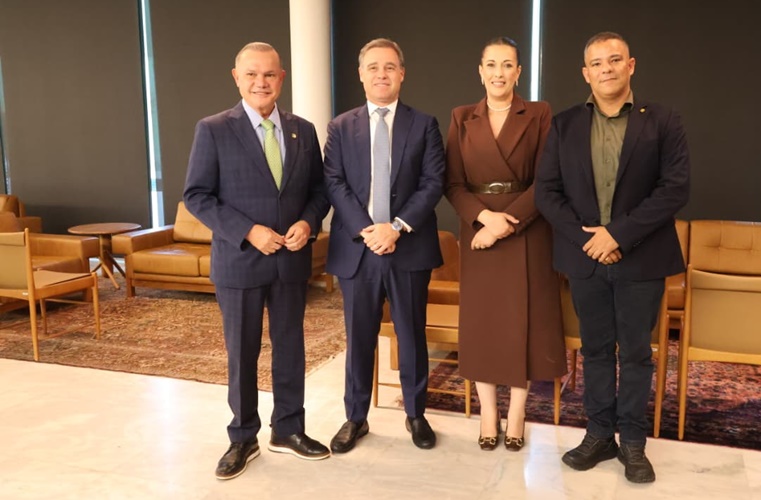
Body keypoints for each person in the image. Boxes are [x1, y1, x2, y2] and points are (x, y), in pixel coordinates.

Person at [535, 32, 690, 483]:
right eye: (596, 63)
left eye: (614, 60)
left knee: (637, 354)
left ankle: (634, 443)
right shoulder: (563, 125)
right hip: (585, 259)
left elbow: (674, 189)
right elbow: (547, 192)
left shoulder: (663, 120)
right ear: (586, 73)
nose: (606, 68)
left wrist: (617, 234)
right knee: (597, 350)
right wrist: (591, 240)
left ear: (631, 66)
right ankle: (599, 434)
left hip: (641, 259)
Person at [183, 42, 332, 480]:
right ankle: (242, 437)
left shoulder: (302, 130)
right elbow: (197, 196)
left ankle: (288, 429)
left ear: (281, 78)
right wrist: (249, 231)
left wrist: (307, 223)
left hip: (290, 261)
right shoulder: (212, 129)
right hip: (240, 261)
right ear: (236, 77)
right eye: (252, 75)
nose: (260, 83)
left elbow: (318, 192)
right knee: (243, 353)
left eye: (268, 75)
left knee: (291, 349)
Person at [323, 38, 445, 453]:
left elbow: (433, 183)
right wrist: (368, 230)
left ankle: (416, 414)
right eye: (373, 66)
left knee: (411, 334)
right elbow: (334, 184)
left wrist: (394, 227)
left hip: (407, 246)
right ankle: (355, 418)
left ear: (402, 73)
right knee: (359, 337)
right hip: (358, 249)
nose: (381, 74)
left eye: (390, 66)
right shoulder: (340, 127)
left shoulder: (424, 124)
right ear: (361, 74)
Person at [444, 37, 566, 452]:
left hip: (526, 227)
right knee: (484, 325)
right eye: (491, 64)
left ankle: (516, 412)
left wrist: (504, 225)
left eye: (507, 65)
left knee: (523, 322)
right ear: (479, 71)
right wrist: (483, 219)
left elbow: (548, 179)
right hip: (478, 229)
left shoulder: (539, 113)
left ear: (519, 72)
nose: (499, 72)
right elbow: (453, 183)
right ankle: (488, 413)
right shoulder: (462, 117)